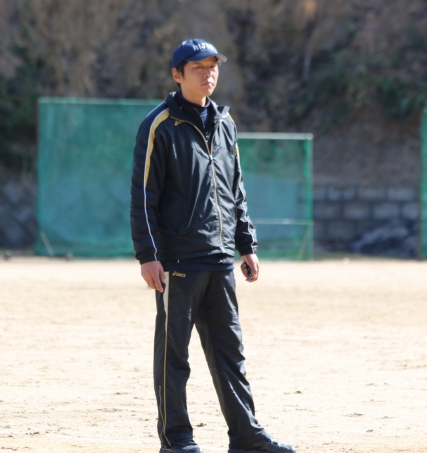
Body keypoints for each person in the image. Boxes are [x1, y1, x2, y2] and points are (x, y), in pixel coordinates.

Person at [129, 39, 296, 453]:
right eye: (198, 68)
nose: (208, 74)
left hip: (221, 259)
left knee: (230, 353)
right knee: (174, 356)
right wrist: (148, 255)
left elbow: (235, 188)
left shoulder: (226, 122)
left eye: (212, 67)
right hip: (178, 261)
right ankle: (177, 440)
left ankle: (246, 436)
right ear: (177, 74)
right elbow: (143, 196)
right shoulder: (159, 125)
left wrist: (246, 243)